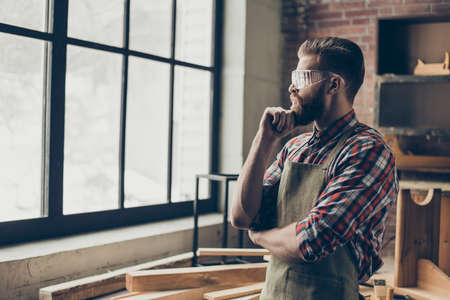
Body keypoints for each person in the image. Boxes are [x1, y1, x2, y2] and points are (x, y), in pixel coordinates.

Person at [230, 37, 399, 300]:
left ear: (334, 84)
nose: (291, 88)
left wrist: (259, 235)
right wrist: (263, 141)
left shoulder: (367, 151)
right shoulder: (295, 147)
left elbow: (311, 240)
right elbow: (241, 216)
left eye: (302, 77)